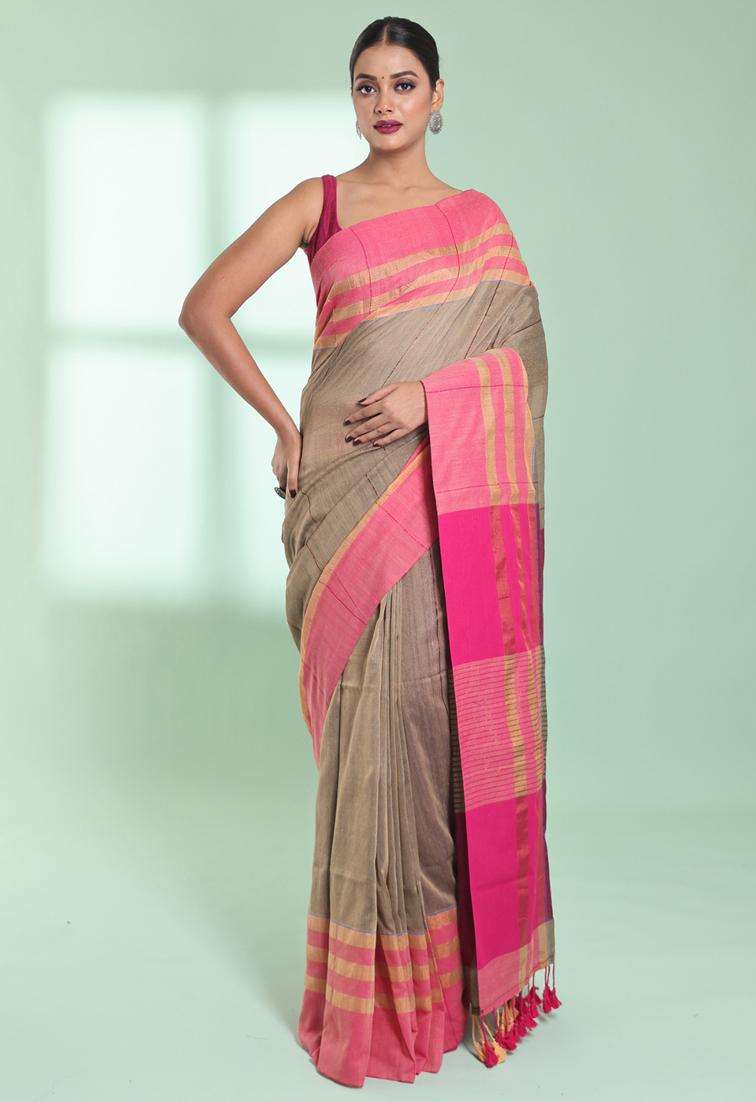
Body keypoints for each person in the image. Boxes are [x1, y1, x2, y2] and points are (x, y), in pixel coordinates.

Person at [179, 14, 561, 1089]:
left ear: (438, 97)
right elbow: (205, 307)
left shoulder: (479, 221)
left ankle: (446, 983)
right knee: (367, 733)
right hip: (345, 508)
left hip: (442, 512)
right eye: (365, 85)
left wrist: (430, 399)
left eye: (403, 83)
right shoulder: (321, 203)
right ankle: (374, 993)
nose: (384, 102)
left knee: (432, 728)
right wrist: (285, 426)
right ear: (351, 100)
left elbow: (524, 368)